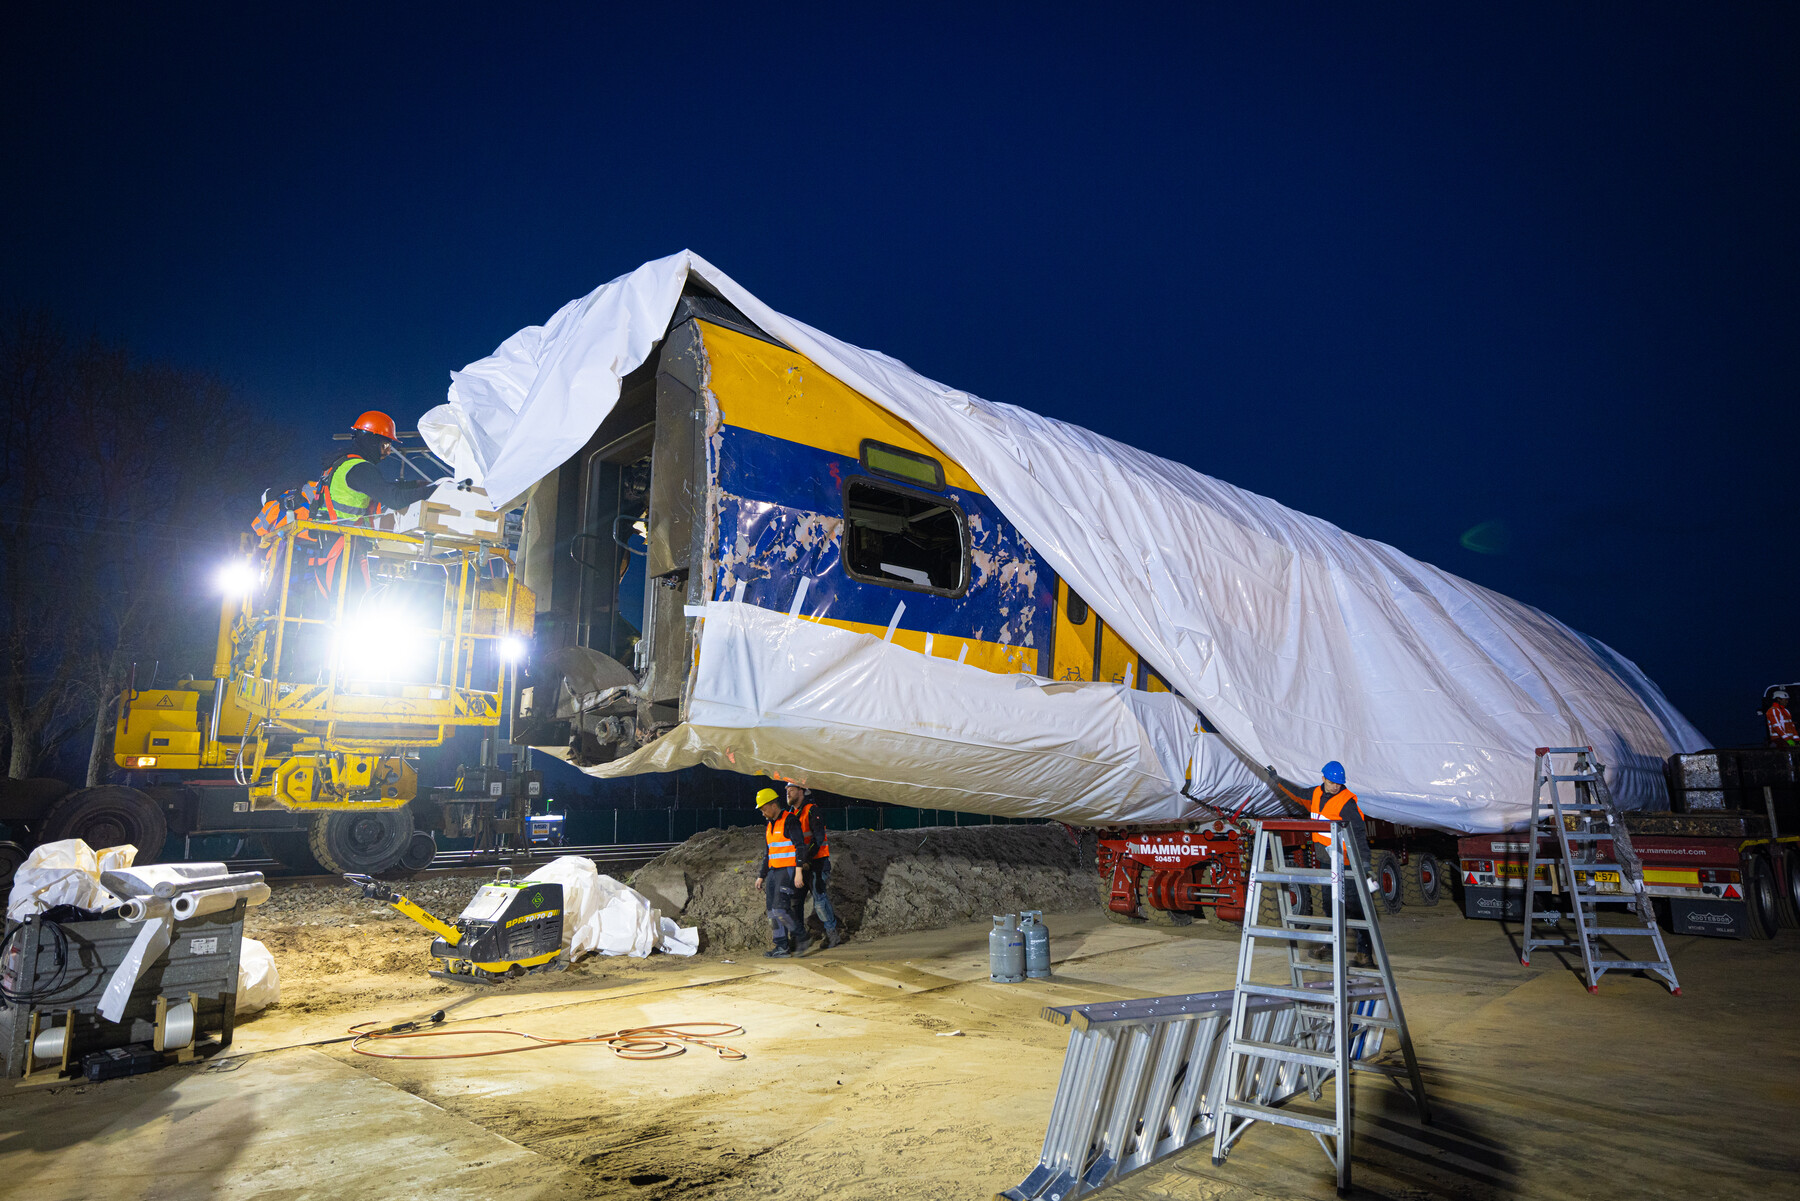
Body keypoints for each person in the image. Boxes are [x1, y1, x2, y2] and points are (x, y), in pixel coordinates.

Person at [306, 411, 441, 598]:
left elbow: (378, 487)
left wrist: (413, 485)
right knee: (349, 605)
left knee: (344, 605)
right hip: (342, 546)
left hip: (335, 543)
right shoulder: (360, 468)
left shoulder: (344, 464)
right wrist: (434, 491)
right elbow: (392, 498)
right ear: (371, 440)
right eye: (385, 445)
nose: (387, 452)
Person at [1304, 760, 1376, 967]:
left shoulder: (1346, 803)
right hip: (1327, 860)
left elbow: (1360, 834)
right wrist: (1275, 779)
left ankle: (1364, 953)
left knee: (1354, 906)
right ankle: (1331, 945)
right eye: (1332, 782)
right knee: (1329, 904)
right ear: (1323, 778)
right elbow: (1295, 792)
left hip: (1347, 862)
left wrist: (1364, 862)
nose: (1336, 786)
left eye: (1339, 783)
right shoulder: (1315, 793)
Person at [754, 787, 809, 958]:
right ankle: (781, 947)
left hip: (788, 870)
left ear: (773, 805)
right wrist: (761, 875)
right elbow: (768, 853)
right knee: (772, 911)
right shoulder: (770, 826)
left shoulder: (789, 820)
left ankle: (802, 935)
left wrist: (799, 871)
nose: (763, 813)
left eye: (764, 809)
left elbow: (800, 846)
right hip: (773, 872)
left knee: (780, 908)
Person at [788, 782, 844, 948]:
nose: (788, 793)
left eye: (791, 790)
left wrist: (805, 859)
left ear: (802, 791)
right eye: (787, 790)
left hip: (817, 863)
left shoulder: (812, 810)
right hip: (800, 865)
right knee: (795, 902)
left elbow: (818, 839)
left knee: (819, 901)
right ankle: (798, 937)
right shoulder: (791, 814)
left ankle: (832, 935)